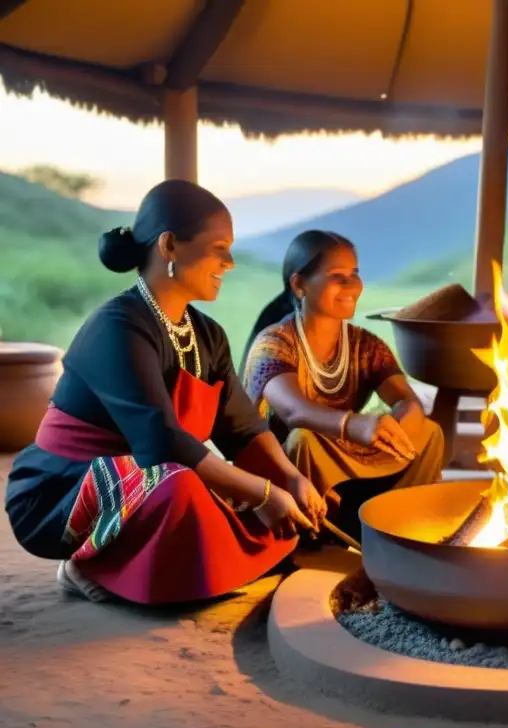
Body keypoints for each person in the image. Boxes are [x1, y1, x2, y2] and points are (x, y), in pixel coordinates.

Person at [4, 180, 326, 605]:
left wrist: (290, 479)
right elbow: (161, 442)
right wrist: (264, 493)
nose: (230, 262)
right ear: (170, 245)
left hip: (153, 473)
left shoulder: (207, 335)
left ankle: (157, 564)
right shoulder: (117, 326)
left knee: (229, 487)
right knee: (182, 485)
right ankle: (90, 560)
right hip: (62, 490)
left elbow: (244, 429)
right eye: (218, 248)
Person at [241, 230, 444, 542]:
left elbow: (407, 401)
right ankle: (313, 535)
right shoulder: (275, 343)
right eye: (337, 276)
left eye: (355, 273)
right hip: (286, 469)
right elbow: (293, 410)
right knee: (305, 438)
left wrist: (399, 427)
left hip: (345, 452)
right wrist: (353, 425)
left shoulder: (365, 346)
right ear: (299, 285)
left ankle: (396, 528)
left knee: (429, 434)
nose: (352, 286)